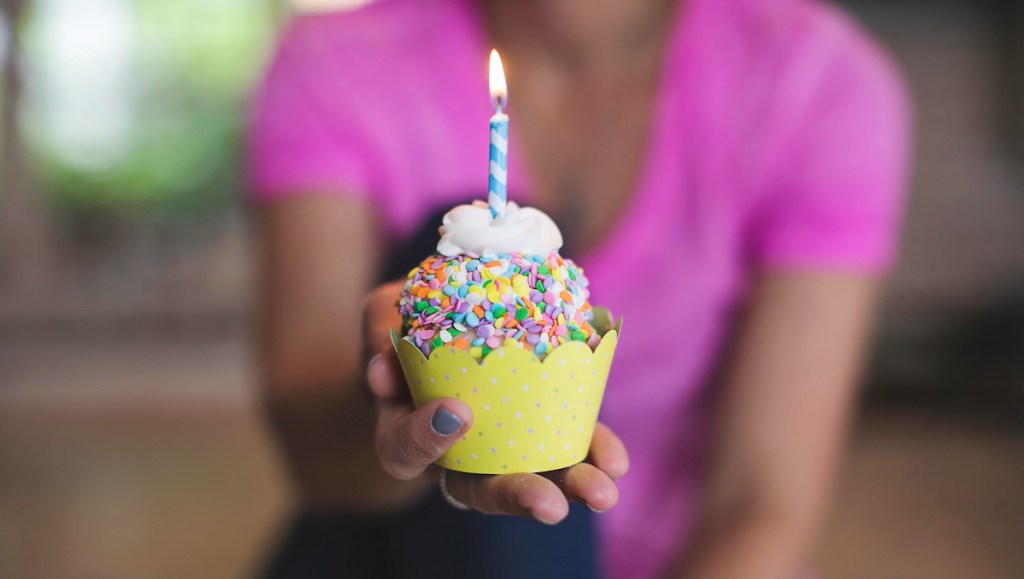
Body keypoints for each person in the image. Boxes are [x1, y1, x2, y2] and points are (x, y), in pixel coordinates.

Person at [246, 0, 910, 577]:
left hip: (692, 561)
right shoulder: (338, 60)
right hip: (392, 543)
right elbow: (313, 455)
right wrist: (394, 391)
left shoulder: (812, 83)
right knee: (448, 235)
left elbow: (763, 503)